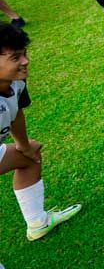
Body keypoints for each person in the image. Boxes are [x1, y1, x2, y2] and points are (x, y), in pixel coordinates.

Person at [0, 23, 81, 242]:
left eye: (24, 54)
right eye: (15, 58)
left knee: (29, 157)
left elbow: (16, 113)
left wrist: (24, 146)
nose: (25, 61)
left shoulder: (16, 83)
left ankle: (38, 223)